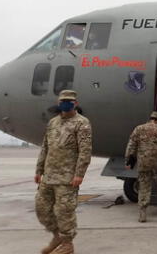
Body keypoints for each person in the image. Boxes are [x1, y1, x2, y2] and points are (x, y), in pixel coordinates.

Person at [34, 90, 92, 254]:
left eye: (69, 101)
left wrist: (79, 174)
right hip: (49, 175)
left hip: (67, 177)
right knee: (42, 209)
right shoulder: (53, 122)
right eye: (63, 101)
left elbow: (85, 151)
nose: (66, 103)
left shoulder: (82, 123)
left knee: (64, 211)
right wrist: (39, 170)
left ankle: (67, 244)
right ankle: (57, 236)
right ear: (59, 103)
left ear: (75, 103)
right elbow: (45, 147)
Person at [125, 111, 157, 222]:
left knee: (144, 186)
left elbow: (131, 145)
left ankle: (142, 212)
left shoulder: (139, 129)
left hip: (144, 161)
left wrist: (129, 160)